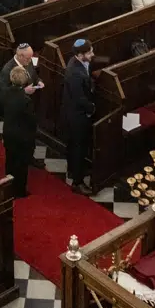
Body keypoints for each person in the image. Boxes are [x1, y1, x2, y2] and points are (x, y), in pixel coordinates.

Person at [62, 39, 97, 194]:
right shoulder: (75, 73)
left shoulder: (78, 63)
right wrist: (92, 108)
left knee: (76, 145)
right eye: (89, 53)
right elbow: (79, 98)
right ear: (80, 55)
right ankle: (77, 182)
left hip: (76, 112)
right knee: (78, 147)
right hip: (77, 115)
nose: (92, 54)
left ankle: (74, 170)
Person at [0, 65, 40, 197]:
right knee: (21, 165)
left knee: (10, 161)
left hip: (9, 133)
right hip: (22, 137)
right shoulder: (26, 100)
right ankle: (19, 191)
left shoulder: (6, 93)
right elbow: (31, 120)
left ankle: (8, 186)